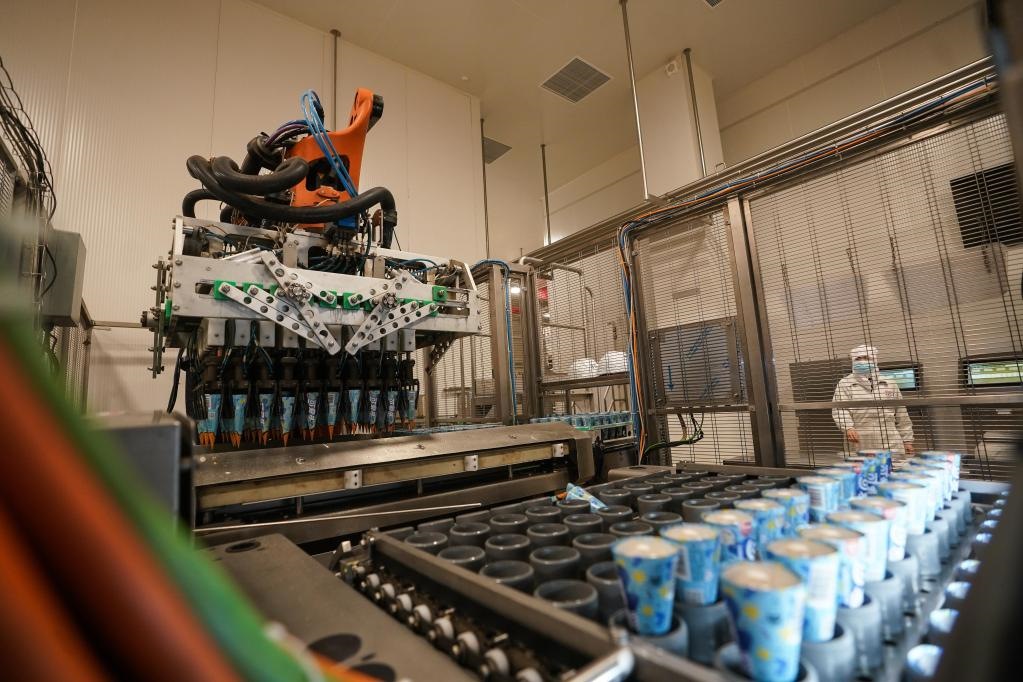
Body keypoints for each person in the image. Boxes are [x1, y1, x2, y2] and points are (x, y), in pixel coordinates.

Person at [832, 345, 915, 457]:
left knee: (891, 466)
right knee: (864, 467)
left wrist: (907, 440)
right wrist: (848, 427)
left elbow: (901, 413)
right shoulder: (845, 384)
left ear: (874, 360)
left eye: (866, 358)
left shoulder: (889, 383)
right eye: (858, 358)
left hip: (890, 438)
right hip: (860, 438)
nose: (862, 361)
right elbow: (839, 409)